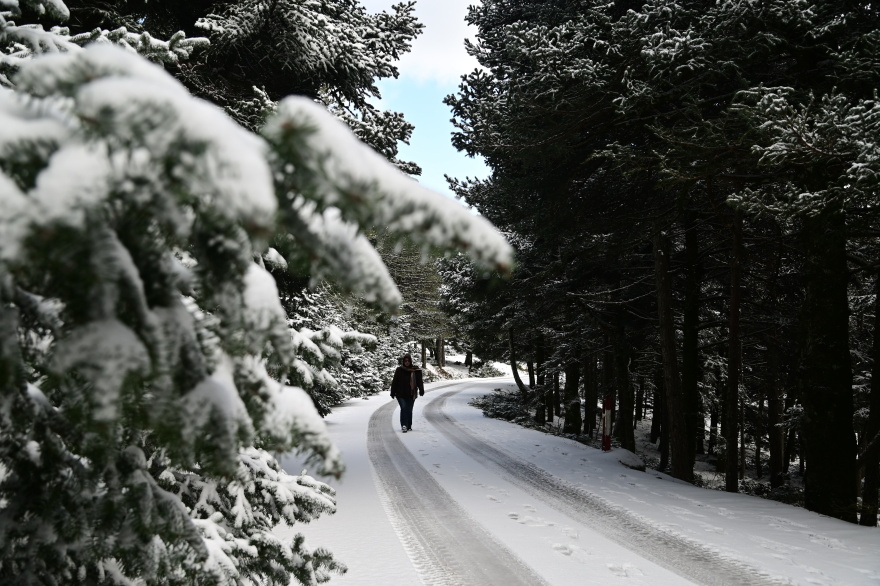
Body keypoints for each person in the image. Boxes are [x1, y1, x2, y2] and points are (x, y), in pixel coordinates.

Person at [390, 354, 424, 433]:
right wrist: (392, 392)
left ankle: (409, 425)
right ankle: (404, 425)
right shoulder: (399, 370)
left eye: (408, 361)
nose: (407, 362)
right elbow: (395, 381)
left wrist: (421, 389)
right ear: (403, 362)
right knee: (404, 408)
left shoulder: (415, 370)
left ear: (411, 361)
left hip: (411, 394)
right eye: (405, 361)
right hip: (400, 394)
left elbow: (419, 381)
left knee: (409, 409)